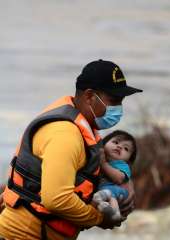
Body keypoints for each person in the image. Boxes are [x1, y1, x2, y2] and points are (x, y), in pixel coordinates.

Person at [0, 59, 142, 240]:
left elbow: (99, 166)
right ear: (90, 96)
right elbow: (57, 199)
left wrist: (125, 184)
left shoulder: (83, 126)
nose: (118, 108)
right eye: (113, 100)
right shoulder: (65, 135)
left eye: (120, 101)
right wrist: (100, 219)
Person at [92, 130, 137, 221]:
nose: (119, 146)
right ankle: (106, 208)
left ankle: (115, 213)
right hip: (103, 190)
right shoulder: (98, 155)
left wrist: (104, 165)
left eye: (126, 149)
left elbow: (119, 178)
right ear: (103, 144)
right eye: (115, 142)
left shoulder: (122, 165)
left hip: (118, 189)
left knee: (110, 193)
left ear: (128, 160)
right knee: (106, 196)